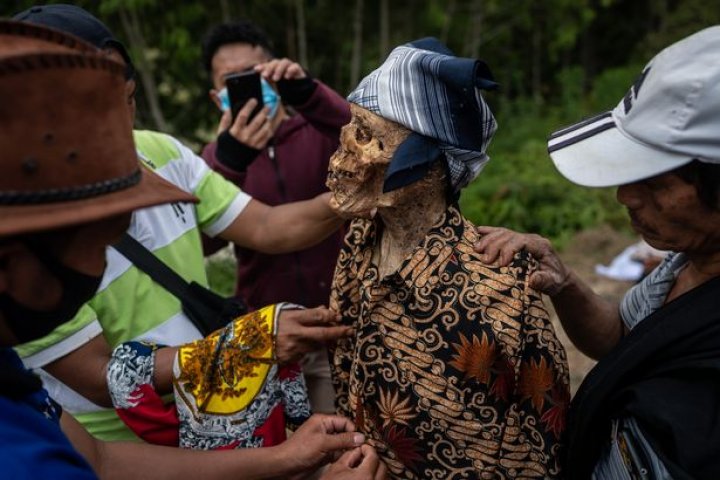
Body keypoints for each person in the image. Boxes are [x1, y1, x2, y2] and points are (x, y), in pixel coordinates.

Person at [0, 20, 383, 479]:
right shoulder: (22, 453)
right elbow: (100, 396)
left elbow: (101, 462)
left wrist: (283, 459)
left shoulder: (20, 391)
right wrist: (247, 345)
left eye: (122, 100)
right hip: (138, 430)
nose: (107, 260)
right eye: (95, 237)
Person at [475, 26, 720, 480]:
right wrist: (565, 284)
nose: (625, 195)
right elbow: (625, 339)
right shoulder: (685, 261)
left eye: (656, 181)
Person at [327, 38, 570, 479]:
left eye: (366, 136)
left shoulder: (502, 294)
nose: (343, 154)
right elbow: (346, 364)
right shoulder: (360, 240)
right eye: (349, 128)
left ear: (431, 167)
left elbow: (541, 446)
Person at [201, 21, 349, 413]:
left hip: (342, 322)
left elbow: (365, 137)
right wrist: (230, 162)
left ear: (275, 76)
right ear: (218, 98)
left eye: (254, 74)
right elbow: (202, 240)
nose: (246, 86)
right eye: (233, 80)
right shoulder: (211, 161)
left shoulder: (319, 133)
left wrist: (309, 92)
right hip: (267, 333)